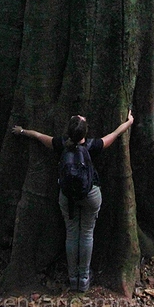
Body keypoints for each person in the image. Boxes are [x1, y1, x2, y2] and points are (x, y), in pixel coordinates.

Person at [12, 109, 134, 292]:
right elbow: (115, 133)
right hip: (91, 195)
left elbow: (38, 136)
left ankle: (72, 277)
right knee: (86, 233)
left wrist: (21, 131)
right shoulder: (93, 145)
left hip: (67, 196)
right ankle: (83, 278)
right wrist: (130, 121)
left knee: (71, 233)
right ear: (85, 132)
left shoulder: (60, 144)